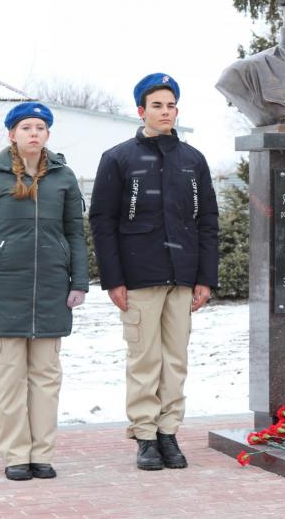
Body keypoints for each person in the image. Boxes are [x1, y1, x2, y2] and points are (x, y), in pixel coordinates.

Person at [89, 73, 219, 471]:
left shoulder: (192, 160)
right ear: (141, 111)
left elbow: (207, 220)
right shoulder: (118, 158)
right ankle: (145, 436)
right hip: (139, 277)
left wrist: (205, 277)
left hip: (182, 277)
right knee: (144, 360)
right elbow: (102, 221)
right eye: (157, 106)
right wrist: (113, 279)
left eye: (171, 105)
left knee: (175, 360)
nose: (165, 112)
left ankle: (169, 432)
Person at [0, 102, 89, 481]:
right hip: (4, 291)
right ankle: (16, 454)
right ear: (12, 134)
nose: (33, 133)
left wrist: (79, 281)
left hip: (52, 289)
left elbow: (75, 234)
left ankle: (41, 454)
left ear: (47, 134)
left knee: (46, 379)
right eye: (26, 128)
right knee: (9, 380)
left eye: (40, 127)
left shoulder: (64, 177)